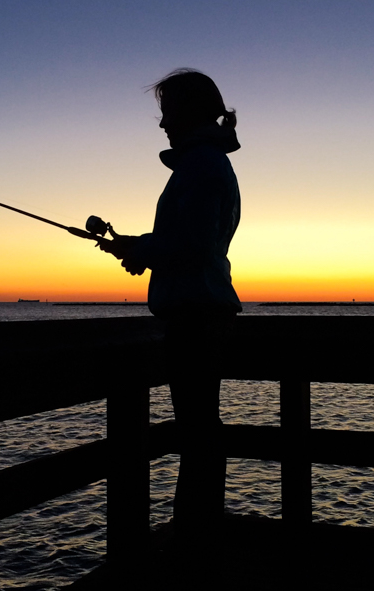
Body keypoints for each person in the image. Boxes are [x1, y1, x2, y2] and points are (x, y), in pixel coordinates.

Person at [99, 68, 241, 561]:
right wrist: (144, 250)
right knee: (201, 433)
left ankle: (195, 547)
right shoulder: (208, 164)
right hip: (203, 316)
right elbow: (191, 244)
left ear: (188, 113)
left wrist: (141, 248)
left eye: (167, 112)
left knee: (198, 436)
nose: (162, 125)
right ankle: (199, 538)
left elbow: (193, 244)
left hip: (196, 320)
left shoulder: (201, 167)